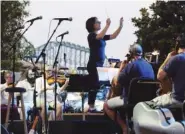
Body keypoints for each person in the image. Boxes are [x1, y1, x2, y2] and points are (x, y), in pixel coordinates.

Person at [103, 44, 155, 134]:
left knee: (106, 106)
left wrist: (121, 68)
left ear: (131, 54)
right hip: (146, 101)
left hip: (130, 100)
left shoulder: (131, 65)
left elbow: (117, 82)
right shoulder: (149, 66)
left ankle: (124, 128)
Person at [86, 16, 123, 112]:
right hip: (93, 64)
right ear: (93, 25)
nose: (100, 23)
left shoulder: (101, 37)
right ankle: (91, 106)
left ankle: (107, 104)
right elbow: (99, 36)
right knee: (93, 86)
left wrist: (120, 26)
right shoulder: (91, 35)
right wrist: (107, 25)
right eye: (98, 22)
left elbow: (113, 36)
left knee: (103, 84)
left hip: (100, 65)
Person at [152, 33, 185, 107]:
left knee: (150, 104)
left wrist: (168, 58)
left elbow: (160, 76)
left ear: (177, 44)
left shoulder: (177, 58)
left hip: (178, 100)